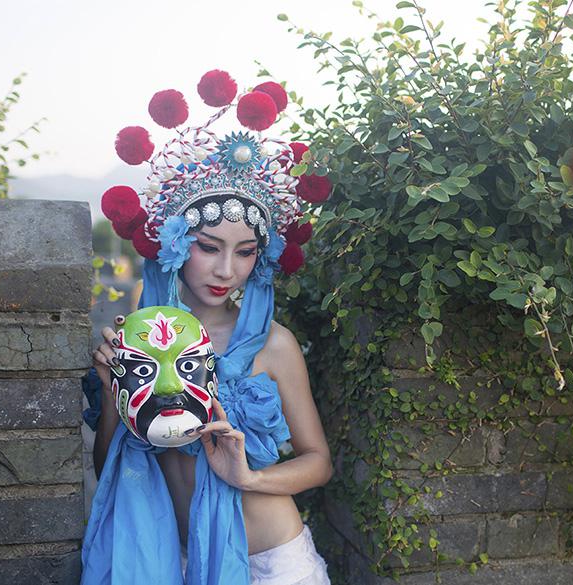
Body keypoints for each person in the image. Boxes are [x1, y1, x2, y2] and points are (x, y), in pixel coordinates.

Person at [80, 69, 334, 584]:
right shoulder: (137, 338)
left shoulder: (273, 345)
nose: (226, 270)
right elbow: (109, 467)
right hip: (167, 561)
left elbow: (318, 462)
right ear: (174, 245)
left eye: (244, 252)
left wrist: (249, 477)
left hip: (271, 564)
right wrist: (111, 390)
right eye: (209, 247)